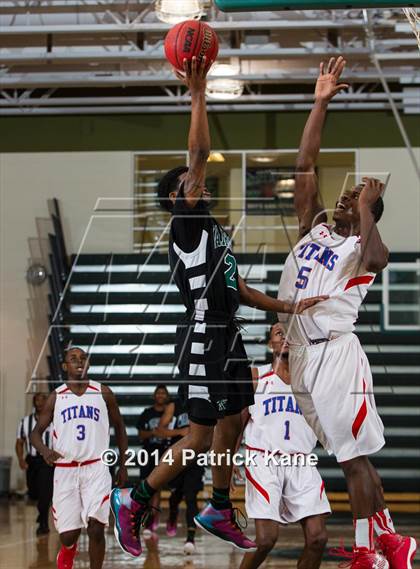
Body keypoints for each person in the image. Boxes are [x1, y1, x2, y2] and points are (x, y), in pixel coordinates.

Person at [110, 55, 327, 559]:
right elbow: (201, 149)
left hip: (227, 332)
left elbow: (243, 290)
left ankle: (220, 506)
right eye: (190, 179)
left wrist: (294, 304)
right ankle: (135, 498)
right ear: (177, 194)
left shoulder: (213, 232)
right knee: (202, 433)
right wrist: (199, 92)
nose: (200, 181)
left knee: (236, 419)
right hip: (206, 335)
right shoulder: (186, 222)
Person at [277, 56, 417, 569]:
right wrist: (319, 103)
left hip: (337, 356)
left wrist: (367, 207)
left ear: (364, 215)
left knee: (352, 458)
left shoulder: (362, 250)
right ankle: (392, 540)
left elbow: (379, 254)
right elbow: (304, 166)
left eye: (353, 197)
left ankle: (366, 551)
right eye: (347, 192)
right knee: (348, 453)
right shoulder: (314, 228)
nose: (342, 198)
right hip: (301, 356)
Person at [233, 323, 330, 569]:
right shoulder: (256, 377)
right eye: (279, 333)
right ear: (270, 344)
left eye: (290, 333)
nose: (285, 336)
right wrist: (232, 458)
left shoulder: (312, 382)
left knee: (318, 538)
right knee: (266, 540)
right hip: (264, 461)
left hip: (301, 462)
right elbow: (238, 421)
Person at [30, 347, 128, 569]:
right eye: (73, 358)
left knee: (95, 527)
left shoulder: (103, 392)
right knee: (68, 536)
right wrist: (46, 451)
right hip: (66, 469)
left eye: (83, 358)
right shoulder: (56, 397)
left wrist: (123, 465)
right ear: (65, 366)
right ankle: (68, 549)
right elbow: (35, 433)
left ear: (88, 364)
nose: (79, 361)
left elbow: (120, 428)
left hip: (96, 468)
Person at [157, 397, 204, 556]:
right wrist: (179, 432)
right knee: (175, 495)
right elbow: (160, 430)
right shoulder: (174, 406)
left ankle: (190, 539)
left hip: (195, 457)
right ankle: (172, 515)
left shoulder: (202, 403)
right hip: (177, 455)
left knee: (191, 496)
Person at [15, 392, 54, 535]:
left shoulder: (55, 421)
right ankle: (41, 513)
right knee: (34, 493)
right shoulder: (25, 422)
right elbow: (19, 442)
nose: (40, 402)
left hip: (47, 461)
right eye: (37, 399)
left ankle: (43, 523)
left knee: (45, 493)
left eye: (43, 399)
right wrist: (20, 459)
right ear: (34, 402)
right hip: (31, 460)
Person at [137, 384, 173, 531]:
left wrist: (163, 433)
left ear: (167, 396)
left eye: (163, 393)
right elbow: (140, 435)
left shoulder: (172, 413)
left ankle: (154, 519)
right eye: (158, 393)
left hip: (165, 453)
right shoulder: (147, 413)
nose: (160, 396)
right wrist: (154, 432)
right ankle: (146, 517)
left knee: (157, 488)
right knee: (146, 486)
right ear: (154, 395)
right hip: (149, 453)